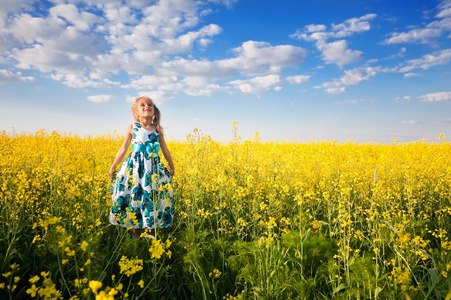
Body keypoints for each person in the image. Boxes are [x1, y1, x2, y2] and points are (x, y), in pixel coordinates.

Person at [108, 96, 175, 238]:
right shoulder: (133, 127)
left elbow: (165, 150)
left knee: (151, 198)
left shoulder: (157, 129)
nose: (147, 106)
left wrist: (171, 166)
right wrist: (113, 166)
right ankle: (135, 237)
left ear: (154, 111)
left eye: (150, 104)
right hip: (134, 169)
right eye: (142, 105)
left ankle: (150, 238)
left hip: (153, 169)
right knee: (134, 197)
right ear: (136, 113)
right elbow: (123, 148)